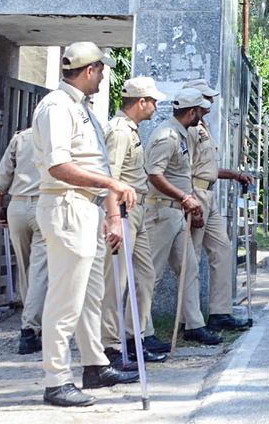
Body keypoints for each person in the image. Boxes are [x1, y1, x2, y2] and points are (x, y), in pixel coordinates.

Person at [31, 42, 139, 407]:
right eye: (101, 68)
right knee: (65, 298)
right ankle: (56, 379)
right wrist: (112, 186)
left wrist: (111, 214)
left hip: (87, 208)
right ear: (89, 69)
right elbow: (58, 166)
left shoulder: (82, 109)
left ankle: (95, 365)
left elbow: (99, 165)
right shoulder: (56, 107)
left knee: (89, 296)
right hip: (66, 206)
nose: (105, 74)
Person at [144, 89, 222, 347]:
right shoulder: (167, 136)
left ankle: (194, 325)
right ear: (191, 112)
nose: (203, 115)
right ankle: (142, 332)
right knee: (150, 275)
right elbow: (155, 174)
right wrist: (185, 197)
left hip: (178, 212)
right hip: (161, 212)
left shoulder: (179, 134)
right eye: (200, 111)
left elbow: (181, 175)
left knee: (189, 269)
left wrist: (189, 203)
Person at [100, 77, 169, 367]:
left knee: (145, 276)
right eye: (153, 101)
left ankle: (134, 337)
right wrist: (113, 218)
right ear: (141, 101)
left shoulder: (133, 130)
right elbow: (110, 178)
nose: (155, 107)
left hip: (137, 209)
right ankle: (111, 346)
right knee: (117, 281)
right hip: (123, 211)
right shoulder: (119, 131)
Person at [184, 78, 255, 331]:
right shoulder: (189, 129)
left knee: (223, 250)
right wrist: (190, 200)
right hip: (195, 194)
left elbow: (208, 168)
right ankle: (189, 321)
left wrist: (234, 174)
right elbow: (186, 170)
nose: (211, 102)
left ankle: (220, 312)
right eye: (207, 97)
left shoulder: (203, 126)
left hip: (209, 194)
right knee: (189, 259)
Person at [0, 127, 46, 355]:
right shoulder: (61, 134)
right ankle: (30, 330)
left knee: (25, 269)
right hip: (46, 205)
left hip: (17, 205)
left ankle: (29, 322)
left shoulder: (20, 137)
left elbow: (2, 175)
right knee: (41, 270)